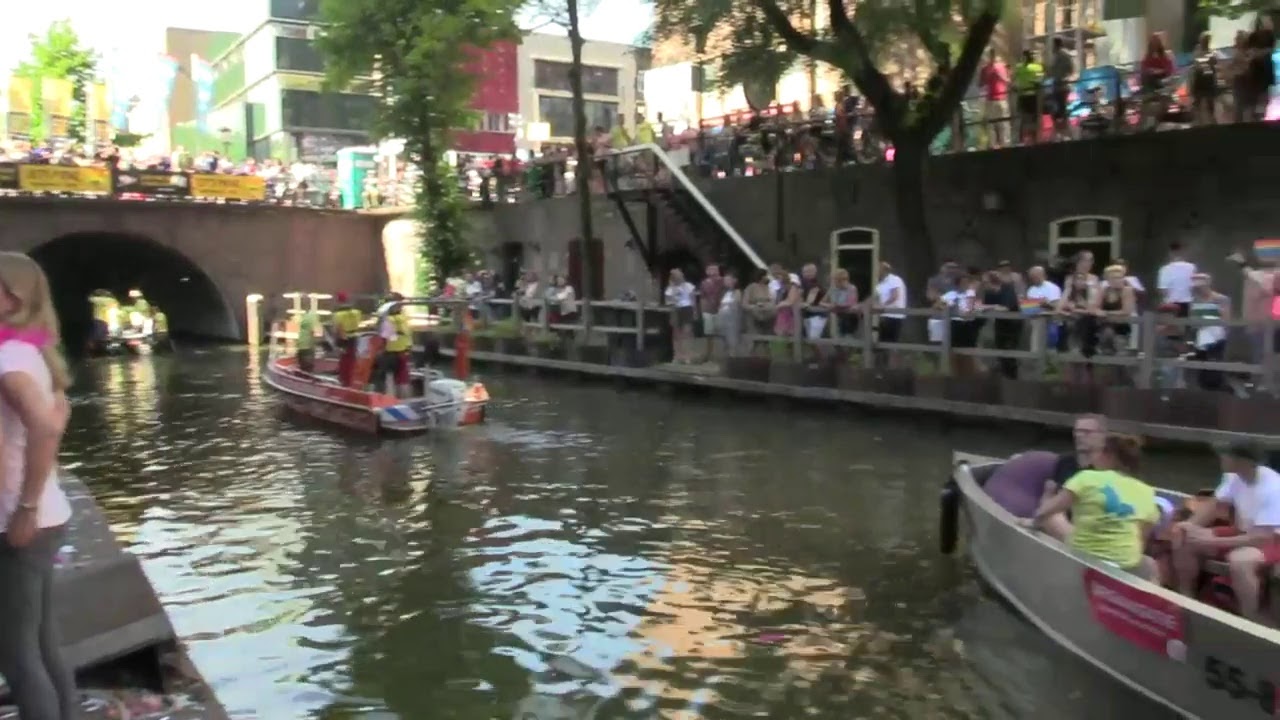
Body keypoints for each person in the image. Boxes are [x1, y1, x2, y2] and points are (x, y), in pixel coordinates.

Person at [0, 252, 77, 720]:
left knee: (17, 653)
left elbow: (45, 429)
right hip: (48, 512)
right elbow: (58, 414)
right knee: (44, 642)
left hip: (17, 519)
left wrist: (24, 509)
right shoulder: (31, 351)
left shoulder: (8, 357)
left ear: (14, 296)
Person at [1021, 434, 1159, 581]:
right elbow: (1142, 538)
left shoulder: (1087, 477)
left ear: (1108, 455)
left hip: (1086, 556)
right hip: (1124, 562)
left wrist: (1033, 521)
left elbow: (1047, 511)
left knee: (1052, 516)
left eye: (1097, 452)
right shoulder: (1147, 491)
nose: (1093, 458)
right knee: (1149, 564)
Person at [1170, 443, 1280, 624]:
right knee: (1185, 539)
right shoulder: (1232, 477)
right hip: (1243, 532)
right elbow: (1214, 506)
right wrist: (1188, 525)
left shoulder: (1273, 487)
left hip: (1272, 539)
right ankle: (1187, 601)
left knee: (1240, 561)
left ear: (1243, 461)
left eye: (1225, 455)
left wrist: (1210, 542)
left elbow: (1263, 537)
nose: (1221, 458)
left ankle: (1251, 619)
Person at [378, 294, 413, 397]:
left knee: (388, 377)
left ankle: (389, 400)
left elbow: (385, 337)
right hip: (404, 350)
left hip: (390, 352)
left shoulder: (388, 320)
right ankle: (405, 398)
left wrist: (380, 349)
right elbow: (407, 333)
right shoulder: (404, 318)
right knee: (403, 378)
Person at [331, 292, 363, 387]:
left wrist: (336, 343)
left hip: (344, 339)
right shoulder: (357, 312)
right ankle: (352, 380)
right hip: (355, 339)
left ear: (339, 301)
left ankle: (344, 382)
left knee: (344, 362)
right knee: (352, 361)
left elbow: (337, 330)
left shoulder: (338, 315)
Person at [295, 305, 320, 373]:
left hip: (301, 344)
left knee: (302, 365)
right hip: (308, 345)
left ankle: (301, 376)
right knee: (308, 366)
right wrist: (314, 344)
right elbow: (313, 332)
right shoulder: (312, 318)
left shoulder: (304, 318)